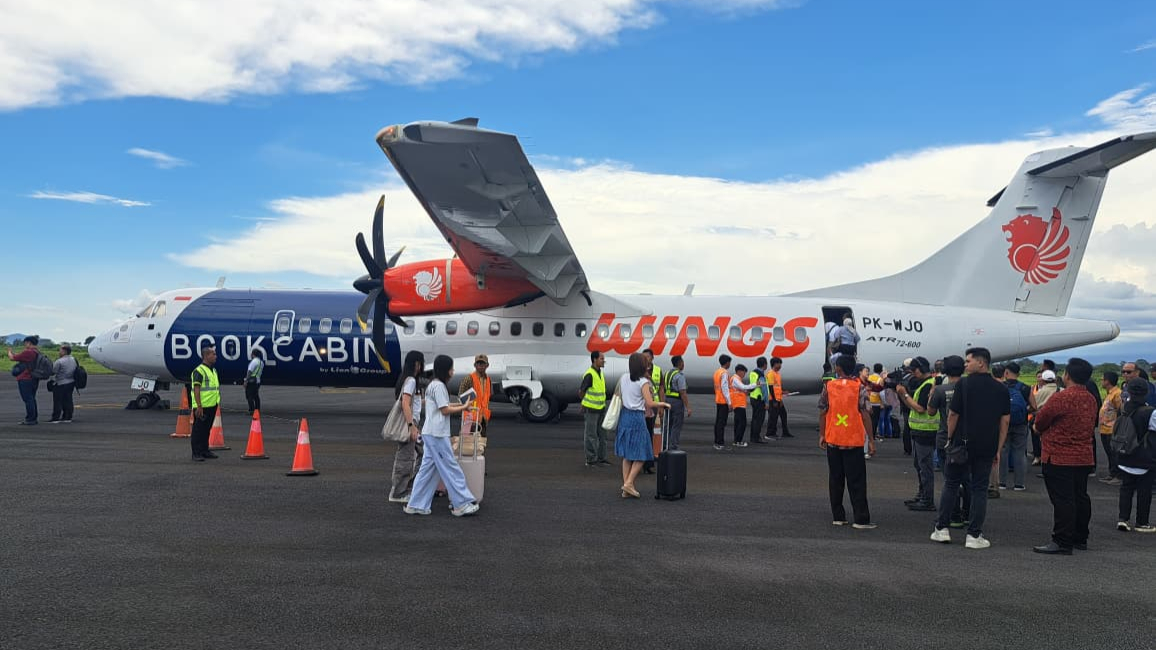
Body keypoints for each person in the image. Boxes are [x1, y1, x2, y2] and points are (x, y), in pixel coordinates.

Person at [930, 347, 1009, 549]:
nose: (965, 364)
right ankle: (974, 534)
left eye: (968, 361)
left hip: (961, 444)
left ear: (981, 363)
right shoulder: (1001, 388)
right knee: (979, 489)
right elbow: (1005, 421)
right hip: (987, 445)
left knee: (951, 484)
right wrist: (998, 448)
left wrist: (950, 438)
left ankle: (942, 528)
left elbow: (953, 414)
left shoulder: (963, 384)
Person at [1032, 358, 1099, 554]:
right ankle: (1080, 537)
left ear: (1067, 375)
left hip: (1059, 455)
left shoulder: (1061, 397)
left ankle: (1062, 540)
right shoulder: (1090, 398)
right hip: (1083, 455)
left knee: (1063, 499)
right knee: (1080, 496)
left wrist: (1037, 428)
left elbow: (1041, 421)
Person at [405, 355, 480, 517]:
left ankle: (416, 504)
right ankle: (461, 504)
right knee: (451, 468)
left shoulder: (433, 385)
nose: (453, 372)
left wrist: (462, 405)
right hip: (437, 434)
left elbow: (443, 405)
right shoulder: (439, 386)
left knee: (428, 471)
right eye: (451, 369)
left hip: (431, 432)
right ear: (445, 370)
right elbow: (444, 410)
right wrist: (463, 407)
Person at [819, 354, 876, 529]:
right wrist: (871, 440)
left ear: (838, 368)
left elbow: (822, 411)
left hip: (833, 439)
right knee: (856, 481)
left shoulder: (828, 386)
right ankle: (861, 518)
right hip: (853, 440)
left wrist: (822, 434)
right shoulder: (859, 388)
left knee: (835, 479)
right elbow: (866, 414)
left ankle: (838, 516)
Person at [616, 352, 670, 498]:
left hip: (625, 416)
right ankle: (628, 483)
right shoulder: (643, 382)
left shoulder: (624, 377)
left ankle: (626, 487)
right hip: (637, 418)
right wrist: (663, 403)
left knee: (627, 455)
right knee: (642, 454)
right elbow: (650, 403)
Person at [927, 355, 967, 527]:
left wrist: (932, 391)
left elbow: (930, 412)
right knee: (968, 479)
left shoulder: (940, 390)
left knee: (950, 480)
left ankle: (954, 516)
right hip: (968, 438)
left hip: (945, 437)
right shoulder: (969, 388)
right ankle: (968, 513)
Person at [1116, 378, 1156, 533]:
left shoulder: (1124, 408)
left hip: (1125, 453)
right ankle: (1142, 522)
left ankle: (1123, 519)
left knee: (1126, 488)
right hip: (1145, 457)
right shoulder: (1150, 412)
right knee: (1144, 491)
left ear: (1129, 391)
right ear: (1146, 392)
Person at [897, 356, 937, 511]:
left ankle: (927, 499)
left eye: (913, 371)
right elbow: (914, 406)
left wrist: (904, 394)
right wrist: (903, 395)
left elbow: (920, 408)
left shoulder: (928, 385)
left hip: (926, 431)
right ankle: (922, 495)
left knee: (925, 467)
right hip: (920, 430)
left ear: (919, 370)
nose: (912, 374)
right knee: (919, 465)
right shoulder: (925, 383)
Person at [389, 351, 426, 503]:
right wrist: (412, 426)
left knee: (423, 452)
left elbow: (413, 403)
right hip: (409, 424)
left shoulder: (408, 380)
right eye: (418, 363)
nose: (420, 366)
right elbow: (405, 403)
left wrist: (427, 401)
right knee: (405, 458)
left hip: (412, 423)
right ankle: (398, 493)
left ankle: (409, 486)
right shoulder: (410, 381)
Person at [999, 361, 1036, 491]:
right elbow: (1034, 406)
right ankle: (1019, 484)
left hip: (1003, 423)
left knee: (1003, 451)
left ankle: (1002, 482)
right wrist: (1025, 410)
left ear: (1006, 372)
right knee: (1019, 453)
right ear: (1019, 374)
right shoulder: (1025, 388)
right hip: (1021, 424)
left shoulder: (1000, 387)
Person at [189, 346, 221, 462]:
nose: (215, 356)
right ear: (206, 356)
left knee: (207, 429)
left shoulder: (213, 370)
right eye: (213, 354)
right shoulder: (199, 371)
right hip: (202, 406)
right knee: (198, 430)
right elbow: (196, 389)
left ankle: (204, 450)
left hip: (212, 405)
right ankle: (196, 453)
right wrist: (199, 406)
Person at [579, 350, 610, 467]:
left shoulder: (599, 373)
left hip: (601, 408)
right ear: (594, 360)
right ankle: (591, 459)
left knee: (603, 435)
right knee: (591, 435)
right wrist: (584, 403)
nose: (603, 361)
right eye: (601, 359)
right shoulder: (590, 374)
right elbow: (581, 391)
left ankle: (601, 458)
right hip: (591, 409)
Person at [1098, 371, 1125, 485]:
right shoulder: (1110, 393)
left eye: (1102, 379)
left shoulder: (1117, 394)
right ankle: (1112, 473)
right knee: (1109, 453)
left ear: (1107, 381)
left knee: (1114, 454)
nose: (1101, 381)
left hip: (1112, 429)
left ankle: (1118, 476)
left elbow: (1122, 411)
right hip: (1105, 428)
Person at [8, 335, 42, 425]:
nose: (25, 345)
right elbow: (20, 357)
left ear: (29, 343)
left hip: (26, 378)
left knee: (28, 399)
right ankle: (33, 418)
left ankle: (30, 419)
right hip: (34, 378)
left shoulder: (28, 352)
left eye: (25, 343)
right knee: (32, 398)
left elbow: (12, 358)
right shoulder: (37, 352)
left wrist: (9, 352)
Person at [458, 353, 493, 439]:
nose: (480, 366)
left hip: (483, 418)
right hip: (471, 419)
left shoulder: (488, 380)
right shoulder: (469, 379)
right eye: (478, 363)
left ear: (487, 365)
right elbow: (460, 397)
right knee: (469, 443)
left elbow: (487, 397)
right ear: (475, 365)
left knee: (481, 443)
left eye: (483, 363)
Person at [1031, 370, 1061, 466]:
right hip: (1059, 421)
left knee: (1041, 442)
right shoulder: (1062, 390)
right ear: (1055, 380)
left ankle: (1041, 459)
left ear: (1043, 380)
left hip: (1043, 420)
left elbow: (1033, 406)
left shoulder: (1040, 392)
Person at [664, 355, 691, 450]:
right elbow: (683, 392)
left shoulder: (667, 373)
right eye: (682, 362)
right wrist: (688, 407)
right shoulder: (679, 376)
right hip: (676, 402)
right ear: (680, 363)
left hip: (667, 400)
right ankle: (673, 446)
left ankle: (665, 444)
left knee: (668, 424)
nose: (683, 364)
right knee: (676, 425)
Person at [730, 364, 758, 447]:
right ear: (739, 371)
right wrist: (755, 384)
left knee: (738, 423)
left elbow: (742, 390)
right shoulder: (735, 379)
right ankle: (738, 441)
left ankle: (736, 440)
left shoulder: (736, 379)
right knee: (742, 423)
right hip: (738, 404)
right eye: (744, 372)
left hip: (738, 403)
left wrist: (749, 390)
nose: (744, 374)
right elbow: (743, 387)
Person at [49, 344, 78, 423]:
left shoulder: (59, 361)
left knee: (58, 401)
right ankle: (68, 417)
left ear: (64, 351)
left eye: (60, 350)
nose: (59, 352)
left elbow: (53, 371)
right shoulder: (73, 359)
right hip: (71, 382)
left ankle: (55, 418)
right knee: (68, 400)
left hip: (60, 383)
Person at [767, 357, 792, 438]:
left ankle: (785, 432)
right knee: (773, 417)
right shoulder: (771, 374)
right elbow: (770, 387)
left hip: (778, 399)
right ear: (774, 364)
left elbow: (777, 387)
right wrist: (774, 400)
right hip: (773, 399)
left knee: (783, 415)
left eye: (780, 364)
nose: (780, 365)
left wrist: (783, 392)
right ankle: (770, 433)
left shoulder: (777, 374)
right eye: (778, 363)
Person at [713, 355, 733, 450]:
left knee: (718, 422)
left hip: (718, 399)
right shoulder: (724, 373)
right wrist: (729, 402)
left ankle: (717, 441)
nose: (730, 364)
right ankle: (720, 443)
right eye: (729, 362)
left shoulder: (717, 372)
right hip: (723, 401)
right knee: (722, 423)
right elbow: (725, 388)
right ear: (727, 363)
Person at [748, 357, 770, 444]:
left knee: (754, 419)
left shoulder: (753, 373)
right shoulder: (761, 375)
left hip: (753, 397)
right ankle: (756, 437)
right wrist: (767, 402)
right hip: (759, 399)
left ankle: (753, 437)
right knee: (759, 419)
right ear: (764, 365)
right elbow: (764, 389)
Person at [244, 349, 264, 415]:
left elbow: (249, 371)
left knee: (249, 396)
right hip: (258, 381)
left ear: (253, 354)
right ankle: (257, 410)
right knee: (256, 396)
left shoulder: (254, 362)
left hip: (252, 381)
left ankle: (251, 410)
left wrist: (246, 381)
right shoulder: (261, 362)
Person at [867, 363, 885, 440]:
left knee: (868, 420)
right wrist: (883, 403)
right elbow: (882, 393)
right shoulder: (880, 379)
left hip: (868, 400)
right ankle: (872, 436)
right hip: (876, 402)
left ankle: (867, 435)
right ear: (881, 370)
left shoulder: (869, 377)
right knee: (875, 421)